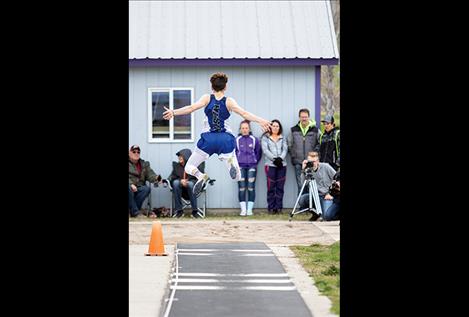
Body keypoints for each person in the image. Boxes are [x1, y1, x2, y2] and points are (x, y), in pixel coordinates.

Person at [162, 72, 271, 197]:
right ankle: (231, 163)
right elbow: (245, 114)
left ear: (212, 87)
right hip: (225, 139)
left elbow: (191, 108)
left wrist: (173, 112)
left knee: (189, 167)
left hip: (208, 139)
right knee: (237, 177)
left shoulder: (207, 98)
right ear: (225, 87)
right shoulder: (229, 101)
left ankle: (200, 176)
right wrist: (261, 120)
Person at [287, 108, 322, 194]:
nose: (304, 119)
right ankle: (302, 206)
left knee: (312, 185)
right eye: (302, 117)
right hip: (298, 162)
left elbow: (320, 143)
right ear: (299, 117)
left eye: (305, 117)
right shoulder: (293, 130)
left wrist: (315, 155)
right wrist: (293, 156)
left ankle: (311, 205)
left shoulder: (315, 130)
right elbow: (289, 144)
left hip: (311, 163)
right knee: (301, 185)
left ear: (309, 117)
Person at [297, 151, 336, 221]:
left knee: (327, 216)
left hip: (326, 195)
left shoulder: (325, 166)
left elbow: (337, 178)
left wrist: (331, 193)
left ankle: (323, 213)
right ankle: (316, 214)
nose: (312, 163)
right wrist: (303, 170)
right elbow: (303, 184)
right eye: (310, 161)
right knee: (302, 200)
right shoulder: (308, 169)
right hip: (314, 195)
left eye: (314, 161)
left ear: (318, 161)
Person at [235, 120, 262, 216]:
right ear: (240, 129)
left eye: (246, 128)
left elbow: (258, 152)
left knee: (251, 188)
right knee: (242, 188)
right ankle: (243, 210)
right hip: (240, 167)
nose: (245, 130)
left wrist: (254, 161)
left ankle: (249, 210)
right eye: (243, 128)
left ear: (249, 129)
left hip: (252, 166)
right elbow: (233, 154)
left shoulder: (254, 139)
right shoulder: (237, 140)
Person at [261, 119, 288, 214]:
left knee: (280, 187)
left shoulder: (283, 137)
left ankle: (279, 207)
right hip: (270, 165)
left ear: (279, 127)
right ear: (270, 127)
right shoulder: (265, 137)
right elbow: (265, 150)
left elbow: (285, 149)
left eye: (277, 126)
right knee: (271, 187)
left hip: (282, 165)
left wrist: (280, 159)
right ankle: (271, 208)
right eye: (274, 126)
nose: (275, 128)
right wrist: (274, 159)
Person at [168, 149, 202, 218]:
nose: (179, 157)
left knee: (190, 184)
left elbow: (199, 177)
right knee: (175, 182)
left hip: (192, 189)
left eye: (181, 156)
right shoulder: (176, 166)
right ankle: (179, 211)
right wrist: (181, 180)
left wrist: (187, 180)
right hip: (180, 191)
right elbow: (172, 178)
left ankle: (195, 211)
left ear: (187, 156)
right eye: (179, 156)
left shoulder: (194, 166)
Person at [128, 145, 162, 217]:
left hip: (139, 187)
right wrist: (131, 184)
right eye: (134, 152)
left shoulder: (144, 164)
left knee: (146, 189)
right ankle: (136, 212)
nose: (136, 153)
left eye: (138, 152)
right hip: (129, 186)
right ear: (129, 153)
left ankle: (133, 211)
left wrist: (156, 178)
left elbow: (150, 174)